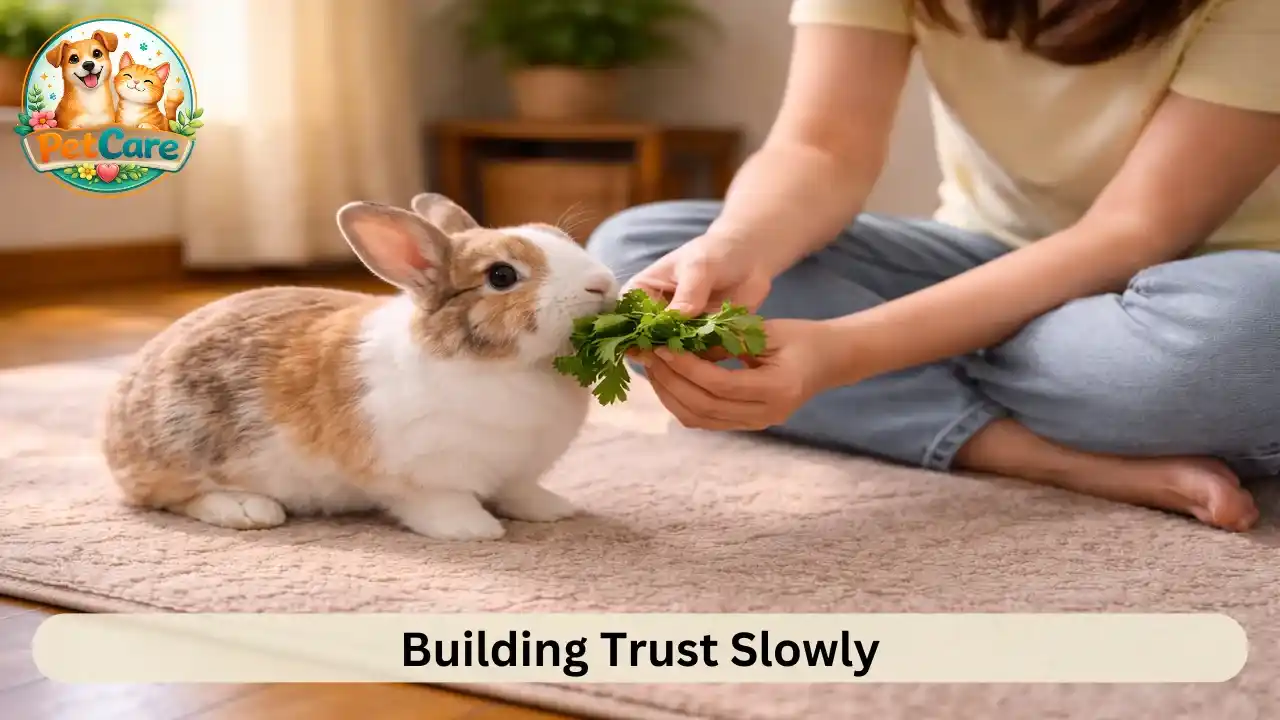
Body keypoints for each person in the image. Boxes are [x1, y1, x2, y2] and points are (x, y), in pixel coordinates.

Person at [586, 0, 1280, 532]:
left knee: (1256, 336)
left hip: (1192, 293)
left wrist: (846, 352)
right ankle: (1038, 450)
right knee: (642, 258)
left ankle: (925, 380)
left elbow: (1134, 230)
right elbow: (822, 147)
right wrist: (738, 245)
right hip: (984, 260)